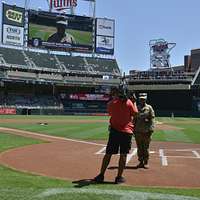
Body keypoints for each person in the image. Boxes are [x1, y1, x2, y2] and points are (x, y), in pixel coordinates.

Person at [93, 86, 138, 184]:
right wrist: (134, 102)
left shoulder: (111, 103)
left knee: (108, 154)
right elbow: (135, 114)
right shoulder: (129, 103)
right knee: (123, 154)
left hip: (114, 132)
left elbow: (110, 112)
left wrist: (115, 98)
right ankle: (119, 177)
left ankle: (101, 175)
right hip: (126, 132)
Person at [134, 93, 155, 169]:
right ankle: (140, 161)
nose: (142, 100)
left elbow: (152, 119)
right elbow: (134, 119)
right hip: (138, 131)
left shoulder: (149, 108)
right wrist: (133, 130)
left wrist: (151, 129)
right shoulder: (136, 107)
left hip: (146, 131)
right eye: (141, 99)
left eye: (143, 99)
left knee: (145, 148)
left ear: (146, 99)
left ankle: (146, 162)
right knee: (139, 148)